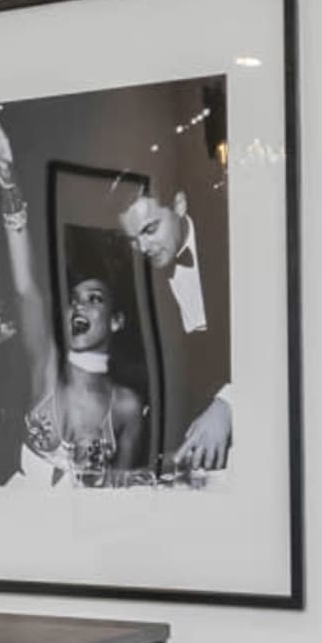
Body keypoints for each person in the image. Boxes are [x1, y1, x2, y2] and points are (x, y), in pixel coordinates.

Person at [0, 111, 149, 483]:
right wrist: (10, 188)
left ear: (118, 320)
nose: (79, 305)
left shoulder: (126, 407)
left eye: (95, 299)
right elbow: (25, 286)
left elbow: (124, 511)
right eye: (75, 297)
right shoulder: (47, 365)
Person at [115, 180, 237, 475]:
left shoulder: (233, 236)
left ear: (179, 206)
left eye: (149, 229)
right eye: (132, 239)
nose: (142, 247)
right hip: (195, 458)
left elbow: (272, 339)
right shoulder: (139, 284)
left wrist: (228, 403)